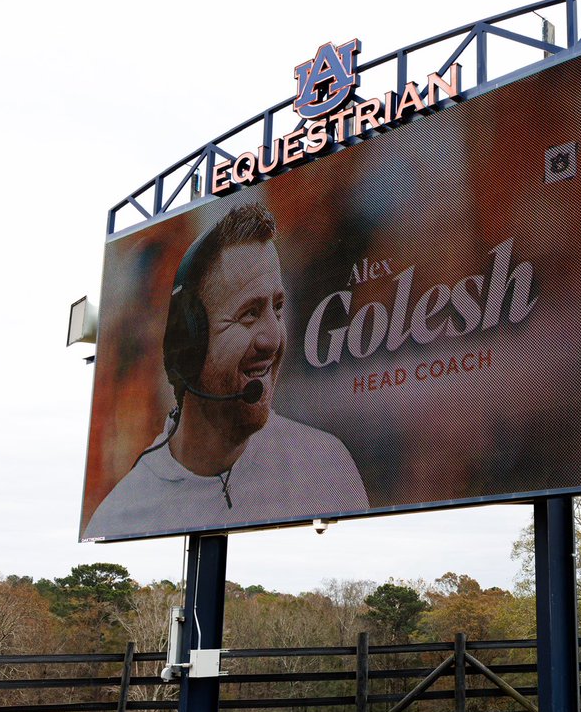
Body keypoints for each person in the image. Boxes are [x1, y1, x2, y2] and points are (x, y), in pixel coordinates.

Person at [83, 204, 368, 539]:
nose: (273, 338)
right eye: (248, 313)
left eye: (277, 309)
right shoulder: (118, 516)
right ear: (190, 339)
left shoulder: (327, 466)